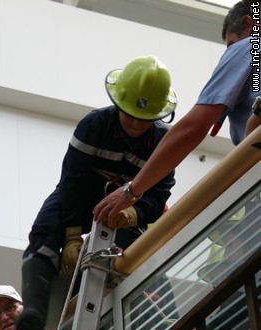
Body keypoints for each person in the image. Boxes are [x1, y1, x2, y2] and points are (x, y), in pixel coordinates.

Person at [15, 54, 177, 330]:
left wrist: (133, 214)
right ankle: (35, 314)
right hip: (80, 198)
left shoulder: (164, 143)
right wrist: (72, 233)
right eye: (129, 113)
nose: (135, 123)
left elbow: (159, 195)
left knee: (133, 254)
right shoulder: (93, 125)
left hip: (126, 213)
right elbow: (72, 180)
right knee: (46, 228)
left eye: (144, 117)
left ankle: (142, 327)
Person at [93, 0, 255, 227]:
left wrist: (131, 191)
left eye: (230, 44)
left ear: (249, 24)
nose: (230, 50)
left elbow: (193, 128)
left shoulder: (249, 47)